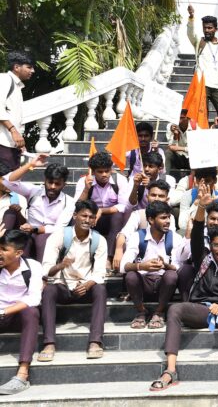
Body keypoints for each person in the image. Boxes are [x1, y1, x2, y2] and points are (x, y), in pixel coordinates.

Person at [151, 186, 218, 391]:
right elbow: (196, 234)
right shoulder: (202, 258)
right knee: (175, 309)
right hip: (203, 310)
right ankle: (170, 370)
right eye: (216, 245)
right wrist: (201, 209)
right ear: (210, 245)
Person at [39, 200, 107, 361]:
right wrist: (60, 266)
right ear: (75, 216)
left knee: (101, 289)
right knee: (48, 290)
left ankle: (95, 341)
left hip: (85, 287)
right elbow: (46, 269)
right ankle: (49, 343)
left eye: (91, 217)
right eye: (84, 215)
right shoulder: (59, 236)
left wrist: (87, 284)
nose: (87, 220)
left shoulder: (99, 240)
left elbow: (99, 273)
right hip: (62, 285)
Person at [121, 201, 189, 330]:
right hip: (143, 284)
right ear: (151, 220)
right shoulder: (137, 236)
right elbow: (122, 266)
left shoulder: (175, 237)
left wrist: (165, 265)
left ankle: (159, 312)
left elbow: (178, 267)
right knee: (130, 276)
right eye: (163, 217)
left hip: (164, 286)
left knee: (171, 275)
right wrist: (141, 266)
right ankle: (141, 311)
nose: (168, 221)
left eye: (169, 217)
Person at [3, 154, 74, 262]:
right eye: (50, 182)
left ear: (64, 184)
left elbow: (59, 228)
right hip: (27, 231)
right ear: (44, 180)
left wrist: (36, 229)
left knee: (42, 238)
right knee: (12, 216)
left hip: (50, 235)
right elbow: (7, 182)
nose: (53, 187)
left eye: (57, 184)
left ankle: (43, 275)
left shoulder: (69, 202)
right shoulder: (34, 191)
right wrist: (30, 164)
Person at [0, 230, 41, 395]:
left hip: (16, 316)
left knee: (31, 312)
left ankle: (22, 375)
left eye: (3, 249)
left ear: (18, 253)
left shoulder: (33, 267)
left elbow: (34, 298)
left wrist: (3, 311)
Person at [75, 151, 130, 269]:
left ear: (111, 169)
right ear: (93, 171)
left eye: (107, 171)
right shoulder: (84, 181)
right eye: (100, 172)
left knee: (118, 216)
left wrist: (101, 211)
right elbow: (77, 206)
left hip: (111, 218)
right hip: (91, 218)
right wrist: (86, 189)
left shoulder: (120, 180)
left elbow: (123, 206)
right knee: (76, 218)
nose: (104, 174)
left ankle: (108, 258)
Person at [113, 180, 175, 271]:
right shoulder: (138, 214)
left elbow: (170, 240)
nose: (156, 199)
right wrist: (118, 251)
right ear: (147, 197)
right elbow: (124, 234)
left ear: (167, 199)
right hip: (139, 261)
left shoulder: (170, 218)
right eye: (153, 195)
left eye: (161, 196)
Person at [187, 6, 218, 117]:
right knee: (202, 116)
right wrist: (191, 18)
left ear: (216, 29)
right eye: (205, 28)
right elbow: (190, 34)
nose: (207, 30)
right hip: (202, 85)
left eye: (210, 28)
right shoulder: (199, 42)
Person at [0, 51, 34, 170]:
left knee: (11, 184)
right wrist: (13, 131)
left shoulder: (17, 86)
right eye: (29, 67)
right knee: (6, 183)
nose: (32, 71)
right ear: (16, 67)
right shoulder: (5, 79)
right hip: (2, 143)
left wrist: (20, 143)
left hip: (11, 145)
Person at [166, 109, 195, 179]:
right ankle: (166, 178)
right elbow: (172, 147)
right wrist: (175, 135)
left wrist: (182, 149)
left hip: (191, 158)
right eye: (178, 118)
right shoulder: (171, 126)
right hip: (178, 157)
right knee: (168, 153)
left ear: (188, 118)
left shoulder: (195, 127)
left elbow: (196, 148)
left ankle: (193, 179)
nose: (179, 120)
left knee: (196, 155)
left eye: (182, 118)